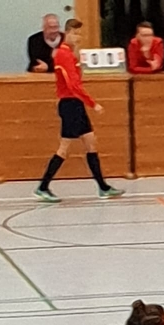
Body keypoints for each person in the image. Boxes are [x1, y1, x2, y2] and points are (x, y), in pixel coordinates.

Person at [34, 19, 125, 203]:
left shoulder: (70, 54)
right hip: (70, 105)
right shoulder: (63, 54)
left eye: (80, 34)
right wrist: (93, 104)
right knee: (64, 149)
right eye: (75, 33)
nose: (78, 37)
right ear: (67, 33)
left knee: (91, 143)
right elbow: (72, 85)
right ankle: (43, 187)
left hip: (76, 104)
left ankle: (103, 187)